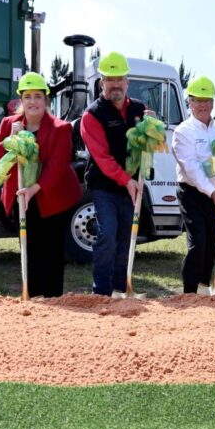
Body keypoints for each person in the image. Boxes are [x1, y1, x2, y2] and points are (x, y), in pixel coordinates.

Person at [0, 72, 82, 297]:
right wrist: (8, 140)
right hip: (22, 197)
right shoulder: (9, 124)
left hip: (54, 197)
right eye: (27, 96)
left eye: (38, 96)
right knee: (29, 249)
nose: (33, 102)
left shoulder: (60, 128)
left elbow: (58, 165)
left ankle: (52, 300)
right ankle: (31, 298)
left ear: (46, 100)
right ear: (21, 100)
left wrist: (34, 188)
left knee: (51, 252)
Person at [80, 52, 146, 296]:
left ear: (127, 82)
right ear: (102, 83)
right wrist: (126, 181)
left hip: (132, 187)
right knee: (107, 234)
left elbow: (146, 145)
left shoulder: (139, 109)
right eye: (110, 79)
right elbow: (102, 157)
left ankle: (121, 290)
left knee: (127, 237)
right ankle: (102, 292)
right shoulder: (92, 115)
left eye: (120, 79)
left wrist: (152, 129)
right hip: (105, 187)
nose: (116, 84)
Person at [172, 76, 215, 293]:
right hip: (191, 193)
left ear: (213, 103)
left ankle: (205, 287)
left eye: (206, 100)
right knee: (198, 241)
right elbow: (192, 169)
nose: (202, 105)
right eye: (197, 100)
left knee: (213, 242)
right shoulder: (183, 132)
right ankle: (190, 292)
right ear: (189, 102)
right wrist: (211, 192)